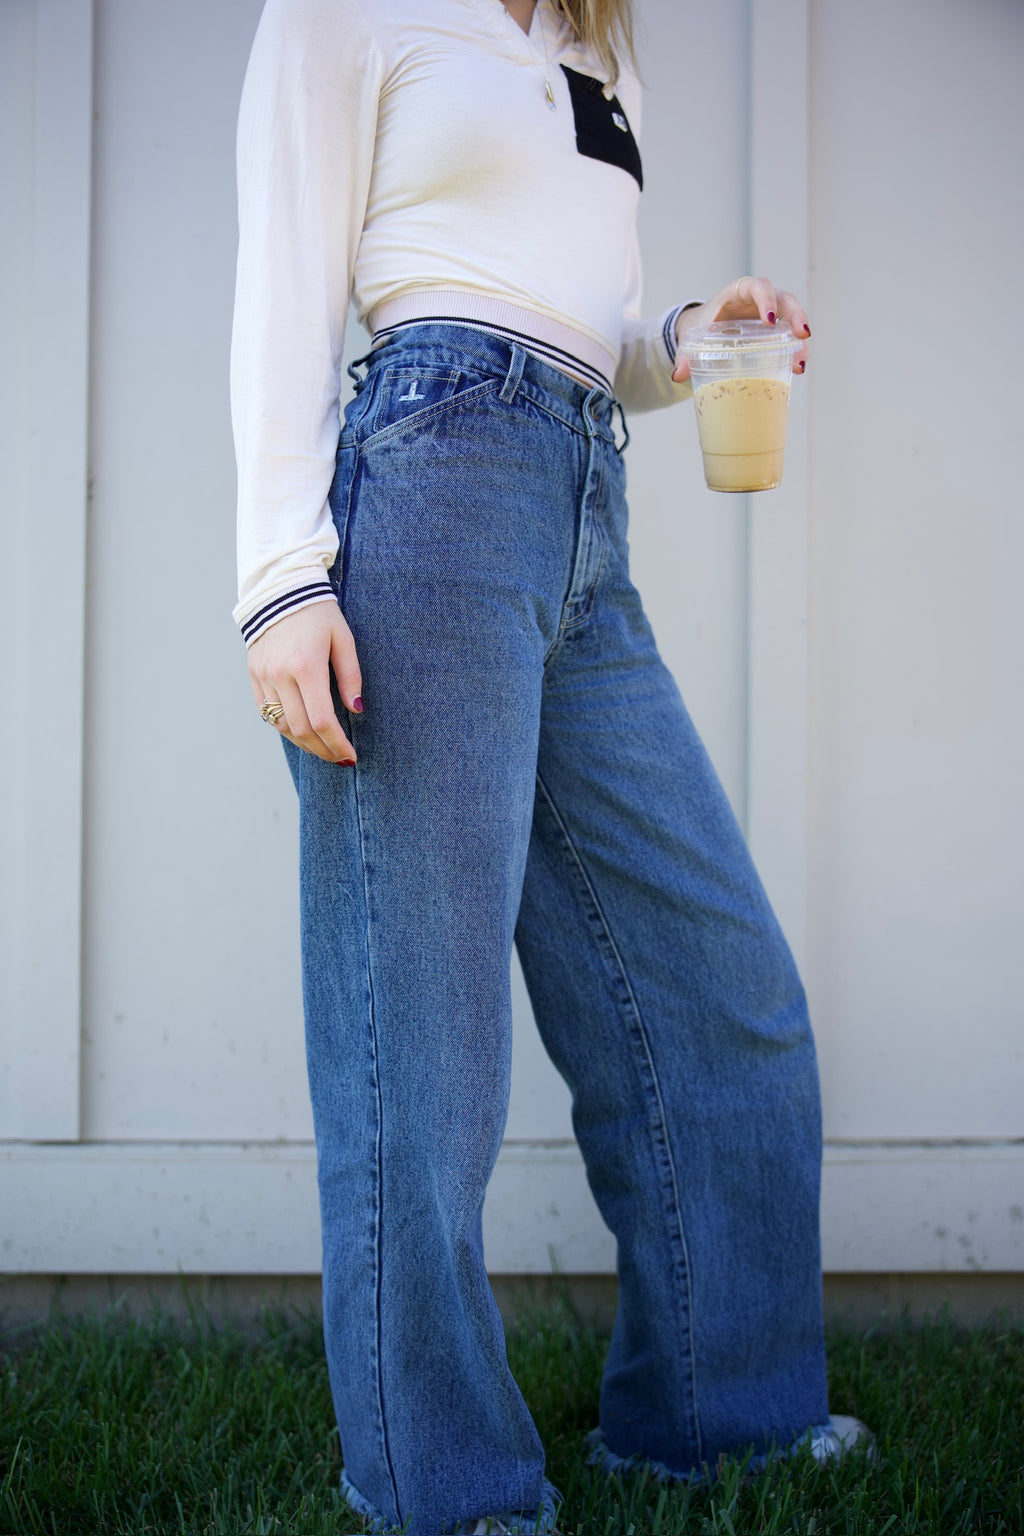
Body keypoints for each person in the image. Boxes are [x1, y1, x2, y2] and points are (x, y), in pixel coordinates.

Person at [230, 2, 869, 1531]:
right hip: (428, 490)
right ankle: (447, 1494)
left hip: (586, 501)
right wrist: (279, 576)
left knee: (719, 991)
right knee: (421, 1058)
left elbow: (568, 321)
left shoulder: (595, 40)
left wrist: (687, 337)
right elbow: (286, 284)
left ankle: (725, 1422)